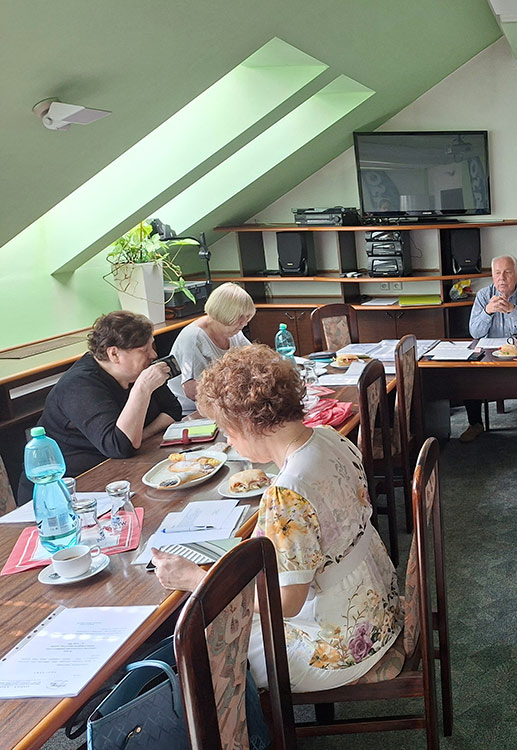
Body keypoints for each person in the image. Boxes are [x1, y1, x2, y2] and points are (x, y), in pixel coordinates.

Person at [152, 345, 401, 691]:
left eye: (227, 430)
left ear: (247, 424)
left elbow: (286, 604)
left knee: (207, 640)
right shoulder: (331, 438)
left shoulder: (286, 494)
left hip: (341, 645)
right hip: (379, 608)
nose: (229, 440)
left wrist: (197, 579)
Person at [16, 311, 181, 504]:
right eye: (144, 350)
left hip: (122, 469)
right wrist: (142, 389)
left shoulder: (137, 372)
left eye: (152, 345)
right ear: (114, 354)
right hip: (69, 490)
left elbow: (173, 410)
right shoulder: (79, 386)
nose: (153, 354)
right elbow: (119, 447)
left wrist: (139, 436)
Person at [463, 254, 517, 443]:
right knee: (467, 374)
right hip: (490, 354)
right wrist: (487, 312)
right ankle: (475, 423)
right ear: (492, 275)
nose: (502, 278)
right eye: (497, 273)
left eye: (507, 272)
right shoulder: (483, 295)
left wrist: (512, 310)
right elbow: (475, 332)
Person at [168, 282, 255, 415]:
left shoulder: (233, 330)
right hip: (190, 410)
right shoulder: (193, 338)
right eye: (239, 318)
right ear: (224, 314)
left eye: (247, 317)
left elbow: (254, 358)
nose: (244, 323)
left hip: (223, 403)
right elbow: (191, 391)